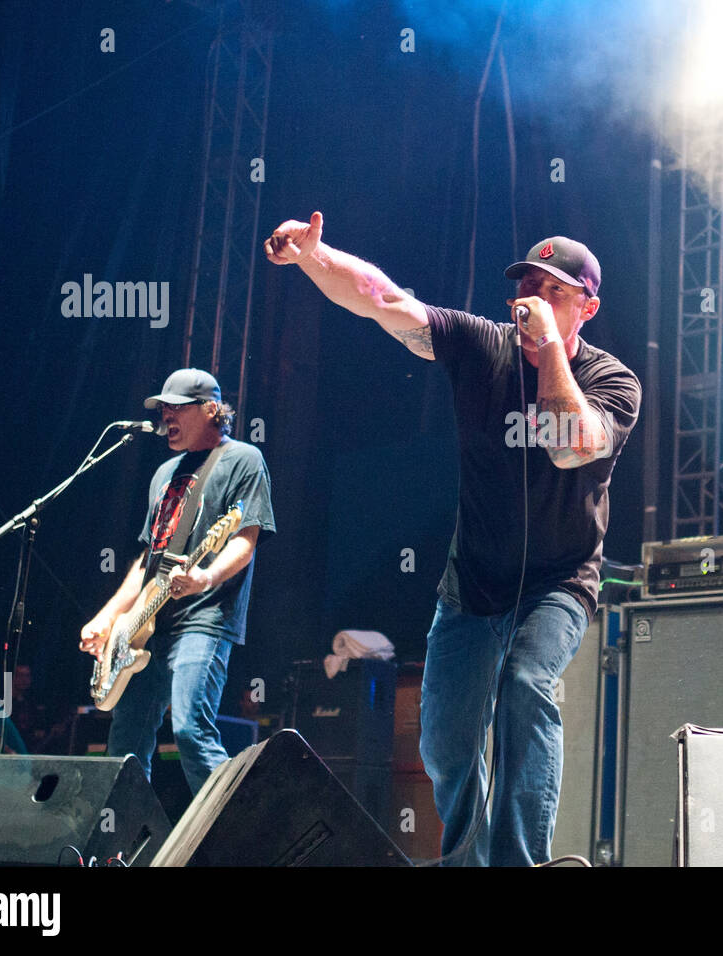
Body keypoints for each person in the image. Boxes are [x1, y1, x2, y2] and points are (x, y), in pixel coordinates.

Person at [265, 215, 640, 865]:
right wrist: (313, 256)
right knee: (446, 745)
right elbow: (385, 300)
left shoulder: (614, 383)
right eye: (527, 284)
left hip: (558, 583)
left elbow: (567, 440)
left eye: (554, 291)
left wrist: (551, 349)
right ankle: (466, 859)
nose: (533, 299)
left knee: (525, 683)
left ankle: (519, 860)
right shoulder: (479, 344)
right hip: (472, 581)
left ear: (588, 306)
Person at [79, 369, 274, 794]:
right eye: (163, 408)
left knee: (190, 729)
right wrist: (106, 618)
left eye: (176, 408)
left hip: (203, 619)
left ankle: (239, 837)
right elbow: (146, 564)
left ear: (210, 410)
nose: (166, 416)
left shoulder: (243, 459)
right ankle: (123, 848)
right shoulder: (163, 473)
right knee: (124, 744)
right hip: (146, 628)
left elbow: (245, 538)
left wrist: (206, 576)